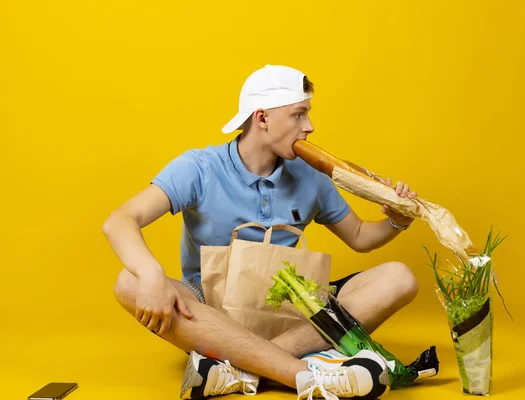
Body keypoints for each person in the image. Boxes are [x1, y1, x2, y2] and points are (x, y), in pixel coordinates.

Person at [102, 64, 419, 400]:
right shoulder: (200, 168)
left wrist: (398, 220)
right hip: (212, 313)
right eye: (298, 115)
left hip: (290, 310)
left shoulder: (311, 176)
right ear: (262, 118)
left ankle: (237, 369)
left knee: (399, 278)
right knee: (129, 281)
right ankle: (306, 375)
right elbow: (120, 219)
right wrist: (151, 274)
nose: (309, 127)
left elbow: (359, 237)